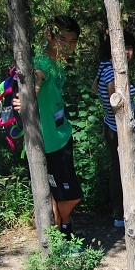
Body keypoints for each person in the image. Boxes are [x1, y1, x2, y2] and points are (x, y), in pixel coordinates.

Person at [15, 15, 84, 239]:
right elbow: (36, 78)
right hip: (50, 143)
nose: (68, 46)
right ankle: (65, 227)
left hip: (62, 136)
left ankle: (62, 236)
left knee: (57, 195)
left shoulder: (56, 63)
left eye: (72, 41)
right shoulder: (42, 63)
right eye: (62, 39)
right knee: (71, 195)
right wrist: (27, 97)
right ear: (50, 36)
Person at [91, 29, 135, 239]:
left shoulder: (104, 67)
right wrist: (123, 109)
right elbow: (114, 96)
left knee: (117, 171)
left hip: (110, 126)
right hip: (121, 130)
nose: (127, 52)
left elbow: (94, 88)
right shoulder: (113, 71)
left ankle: (118, 215)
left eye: (130, 48)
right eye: (124, 47)